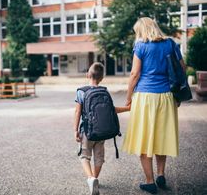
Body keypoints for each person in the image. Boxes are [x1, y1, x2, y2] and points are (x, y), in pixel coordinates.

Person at [122, 17, 185, 194]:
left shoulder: (141, 46)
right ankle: (161, 174)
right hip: (166, 96)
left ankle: (150, 182)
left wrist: (128, 97)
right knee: (161, 136)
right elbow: (181, 68)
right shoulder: (171, 43)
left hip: (145, 97)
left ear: (142, 30)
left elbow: (135, 74)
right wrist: (178, 95)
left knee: (143, 138)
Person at [74, 62, 130, 195]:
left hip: (87, 132)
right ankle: (95, 178)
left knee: (85, 156)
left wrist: (75, 130)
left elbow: (77, 112)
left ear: (88, 74)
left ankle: (91, 178)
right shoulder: (104, 91)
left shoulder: (81, 92)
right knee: (99, 158)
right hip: (102, 132)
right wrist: (128, 108)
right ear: (102, 78)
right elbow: (112, 110)